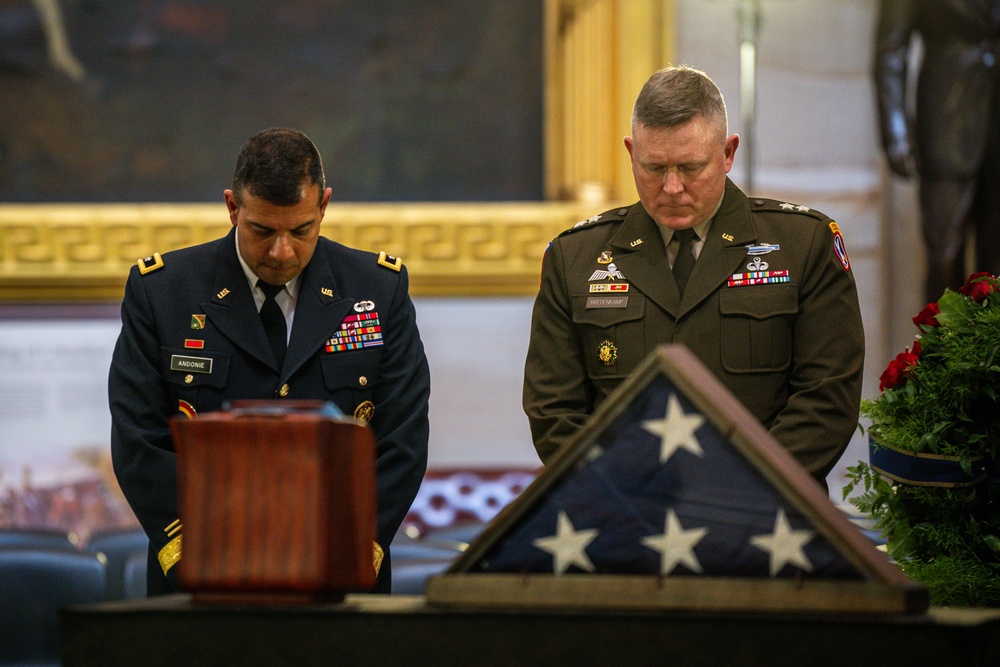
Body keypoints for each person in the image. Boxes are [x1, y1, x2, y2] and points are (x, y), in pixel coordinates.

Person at [109, 127, 430, 595]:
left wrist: (352, 548)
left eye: (301, 230)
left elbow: (402, 440)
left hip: (339, 582)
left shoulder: (377, 290)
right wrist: (201, 550)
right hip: (201, 579)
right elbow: (140, 441)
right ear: (232, 207)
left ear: (324, 207)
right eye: (262, 230)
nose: (282, 251)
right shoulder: (163, 292)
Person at [523, 66, 864, 489]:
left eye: (689, 167)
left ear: (728, 153)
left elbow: (827, 398)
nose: (671, 187)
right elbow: (554, 411)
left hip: (769, 518)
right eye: (653, 168)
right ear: (631, 153)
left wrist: (736, 490)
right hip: (628, 521)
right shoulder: (575, 258)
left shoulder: (801, 245)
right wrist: (631, 497)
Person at [874, 0, 1000, 303]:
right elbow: (892, 47)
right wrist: (896, 132)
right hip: (946, 119)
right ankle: (945, 349)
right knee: (945, 253)